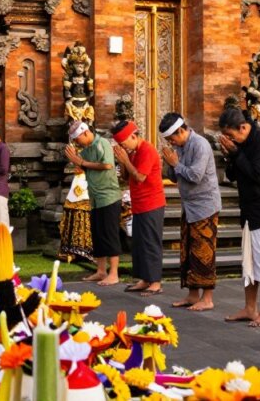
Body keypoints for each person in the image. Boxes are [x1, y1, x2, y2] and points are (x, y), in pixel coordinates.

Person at [219, 107, 260, 328]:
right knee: (249, 261)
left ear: (243, 127)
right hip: (248, 210)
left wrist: (236, 154)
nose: (230, 140)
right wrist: (230, 155)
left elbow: (256, 173)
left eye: (231, 135)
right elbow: (231, 175)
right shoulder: (241, 143)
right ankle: (250, 308)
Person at [159, 112, 221, 312]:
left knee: (204, 252)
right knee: (188, 251)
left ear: (182, 130)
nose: (172, 142)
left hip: (205, 206)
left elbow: (195, 175)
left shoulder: (200, 144)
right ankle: (193, 295)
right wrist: (169, 164)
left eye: (172, 138)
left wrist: (176, 164)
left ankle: (208, 298)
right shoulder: (180, 146)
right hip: (189, 206)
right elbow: (175, 178)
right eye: (169, 140)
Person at [66, 120, 123, 286]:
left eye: (77, 140)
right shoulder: (87, 149)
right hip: (95, 198)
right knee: (97, 235)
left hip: (109, 196)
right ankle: (101, 270)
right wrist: (77, 162)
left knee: (110, 234)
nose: (77, 143)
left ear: (85, 133)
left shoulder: (102, 143)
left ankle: (114, 273)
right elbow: (84, 167)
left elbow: (107, 164)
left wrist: (81, 162)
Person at [112, 120, 165, 296]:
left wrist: (126, 160)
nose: (122, 147)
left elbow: (140, 176)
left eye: (123, 143)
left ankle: (155, 282)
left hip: (152, 203)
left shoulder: (147, 150)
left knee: (150, 242)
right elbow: (127, 177)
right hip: (139, 203)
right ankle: (144, 278)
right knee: (139, 244)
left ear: (133, 136)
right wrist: (121, 162)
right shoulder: (133, 152)